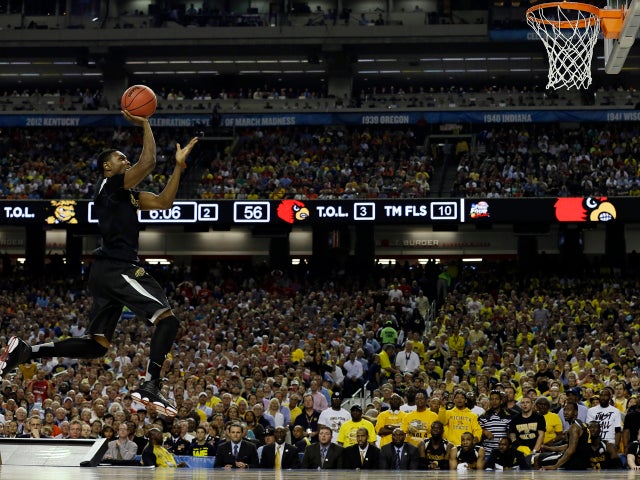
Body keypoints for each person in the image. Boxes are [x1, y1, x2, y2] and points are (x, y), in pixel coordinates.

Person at [0, 111, 199, 418]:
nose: (127, 161)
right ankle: (151, 383)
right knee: (167, 319)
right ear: (108, 167)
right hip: (118, 266)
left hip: (105, 272)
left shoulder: (126, 196)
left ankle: (28, 351)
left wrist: (178, 166)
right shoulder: (108, 187)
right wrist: (145, 121)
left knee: (97, 345)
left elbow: (164, 203)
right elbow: (147, 163)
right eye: (121, 158)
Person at [536, 402, 590, 470]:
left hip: (576, 462)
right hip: (583, 460)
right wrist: (548, 448)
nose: (565, 412)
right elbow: (571, 446)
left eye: (568, 410)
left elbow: (571, 450)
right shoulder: (581, 423)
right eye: (564, 410)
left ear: (575, 412)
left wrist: (555, 466)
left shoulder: (574, 428)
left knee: (537, 458)